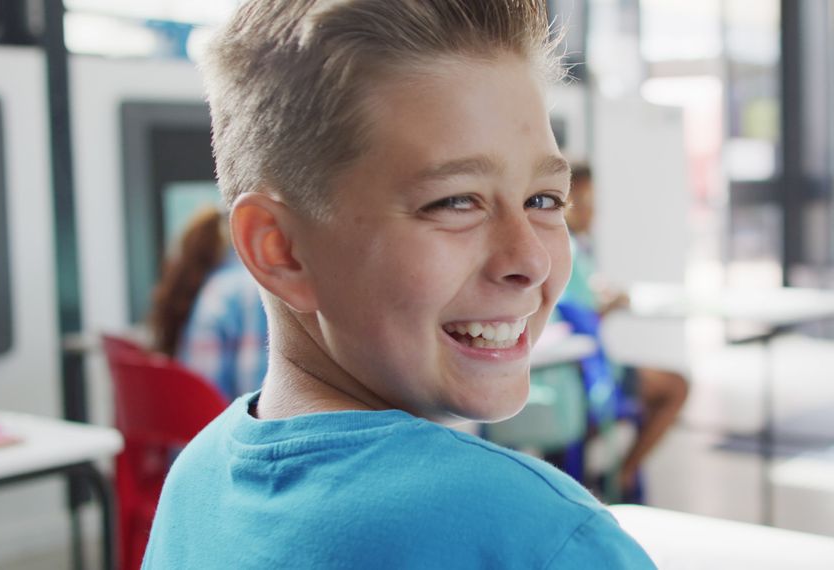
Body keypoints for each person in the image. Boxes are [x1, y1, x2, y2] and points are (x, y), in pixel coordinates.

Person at [142, 1, 655, 568]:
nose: (530, 260)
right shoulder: (538, 534)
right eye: (455, 202)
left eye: (543, 200)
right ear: (282, 251)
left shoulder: (196, 480)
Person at [563, 163, 690, 498]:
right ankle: (624, 473)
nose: (592, 210)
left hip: (574, 374)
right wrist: (607, 304)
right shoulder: (568, 251)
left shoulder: (572, 249)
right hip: (589, 377)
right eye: (585, 199)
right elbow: (577, 311)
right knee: (675, 386)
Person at [147, 207, 269, 400]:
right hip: (222, 422)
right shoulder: (249, 287)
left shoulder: (210, 286)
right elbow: (256, 390)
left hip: (198, 420)